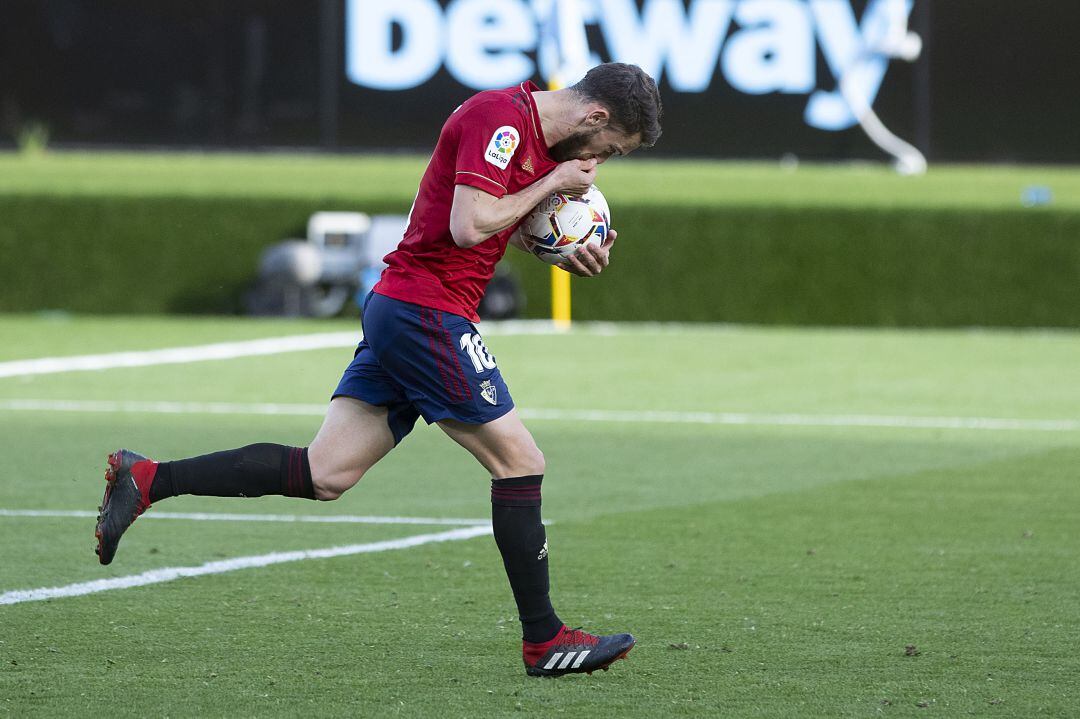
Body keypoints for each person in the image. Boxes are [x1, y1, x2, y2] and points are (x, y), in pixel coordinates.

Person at [95, 62, 663, 678]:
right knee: (520, 461)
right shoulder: (500, 119)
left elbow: (494, 224)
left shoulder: (527, 134)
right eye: (611, 149)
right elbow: (468, 224)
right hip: (426, 313)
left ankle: (148, 479)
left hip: (409, 309)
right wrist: (554, 180)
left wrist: (556, 244)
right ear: (595, 117)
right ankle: (545, 642)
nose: (601, 163)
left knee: (325, 472)